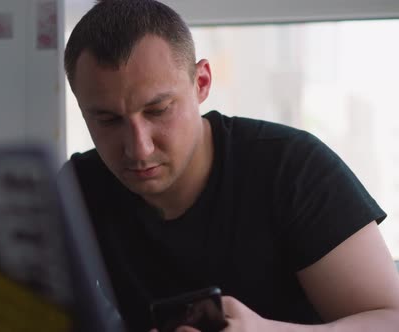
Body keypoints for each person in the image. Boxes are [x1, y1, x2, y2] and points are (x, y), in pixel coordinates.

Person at [62, 0, 399, 331]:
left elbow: (390, 318)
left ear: (202, 83)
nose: (139, 148)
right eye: (108, 120)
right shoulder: (77, 190)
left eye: (159, 110)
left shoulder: (293, 169)